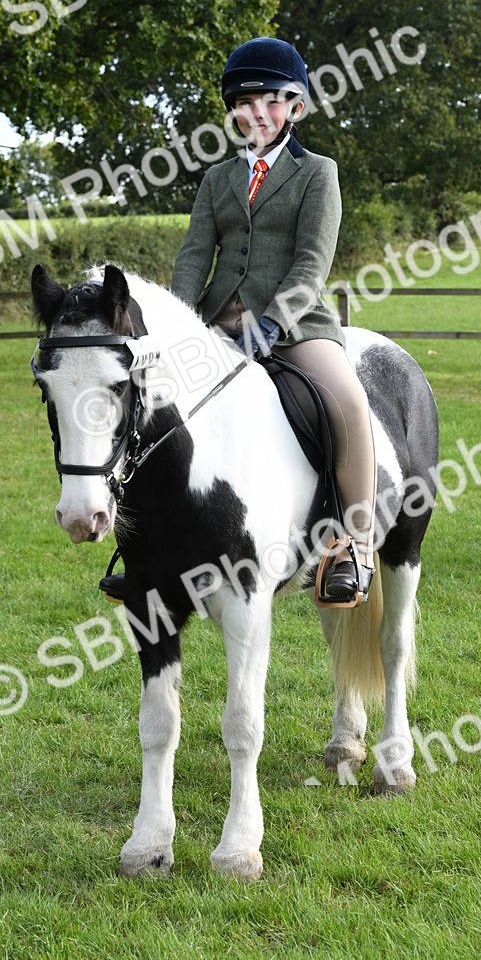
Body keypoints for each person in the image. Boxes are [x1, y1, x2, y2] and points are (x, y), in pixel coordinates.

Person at [170, 37, 376, 602]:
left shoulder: (318, 173)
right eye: (243, 102)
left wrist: (270, 326)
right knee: (152, 410)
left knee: (350, 406)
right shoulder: (217, 179)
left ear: (295, 106)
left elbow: (312, 263)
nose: (254, 112)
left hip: (296, 325)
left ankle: (354, 548)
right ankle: (152, 546)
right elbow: (194, 256)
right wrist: (175, 326)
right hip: (217, 325)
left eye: (268, 101)